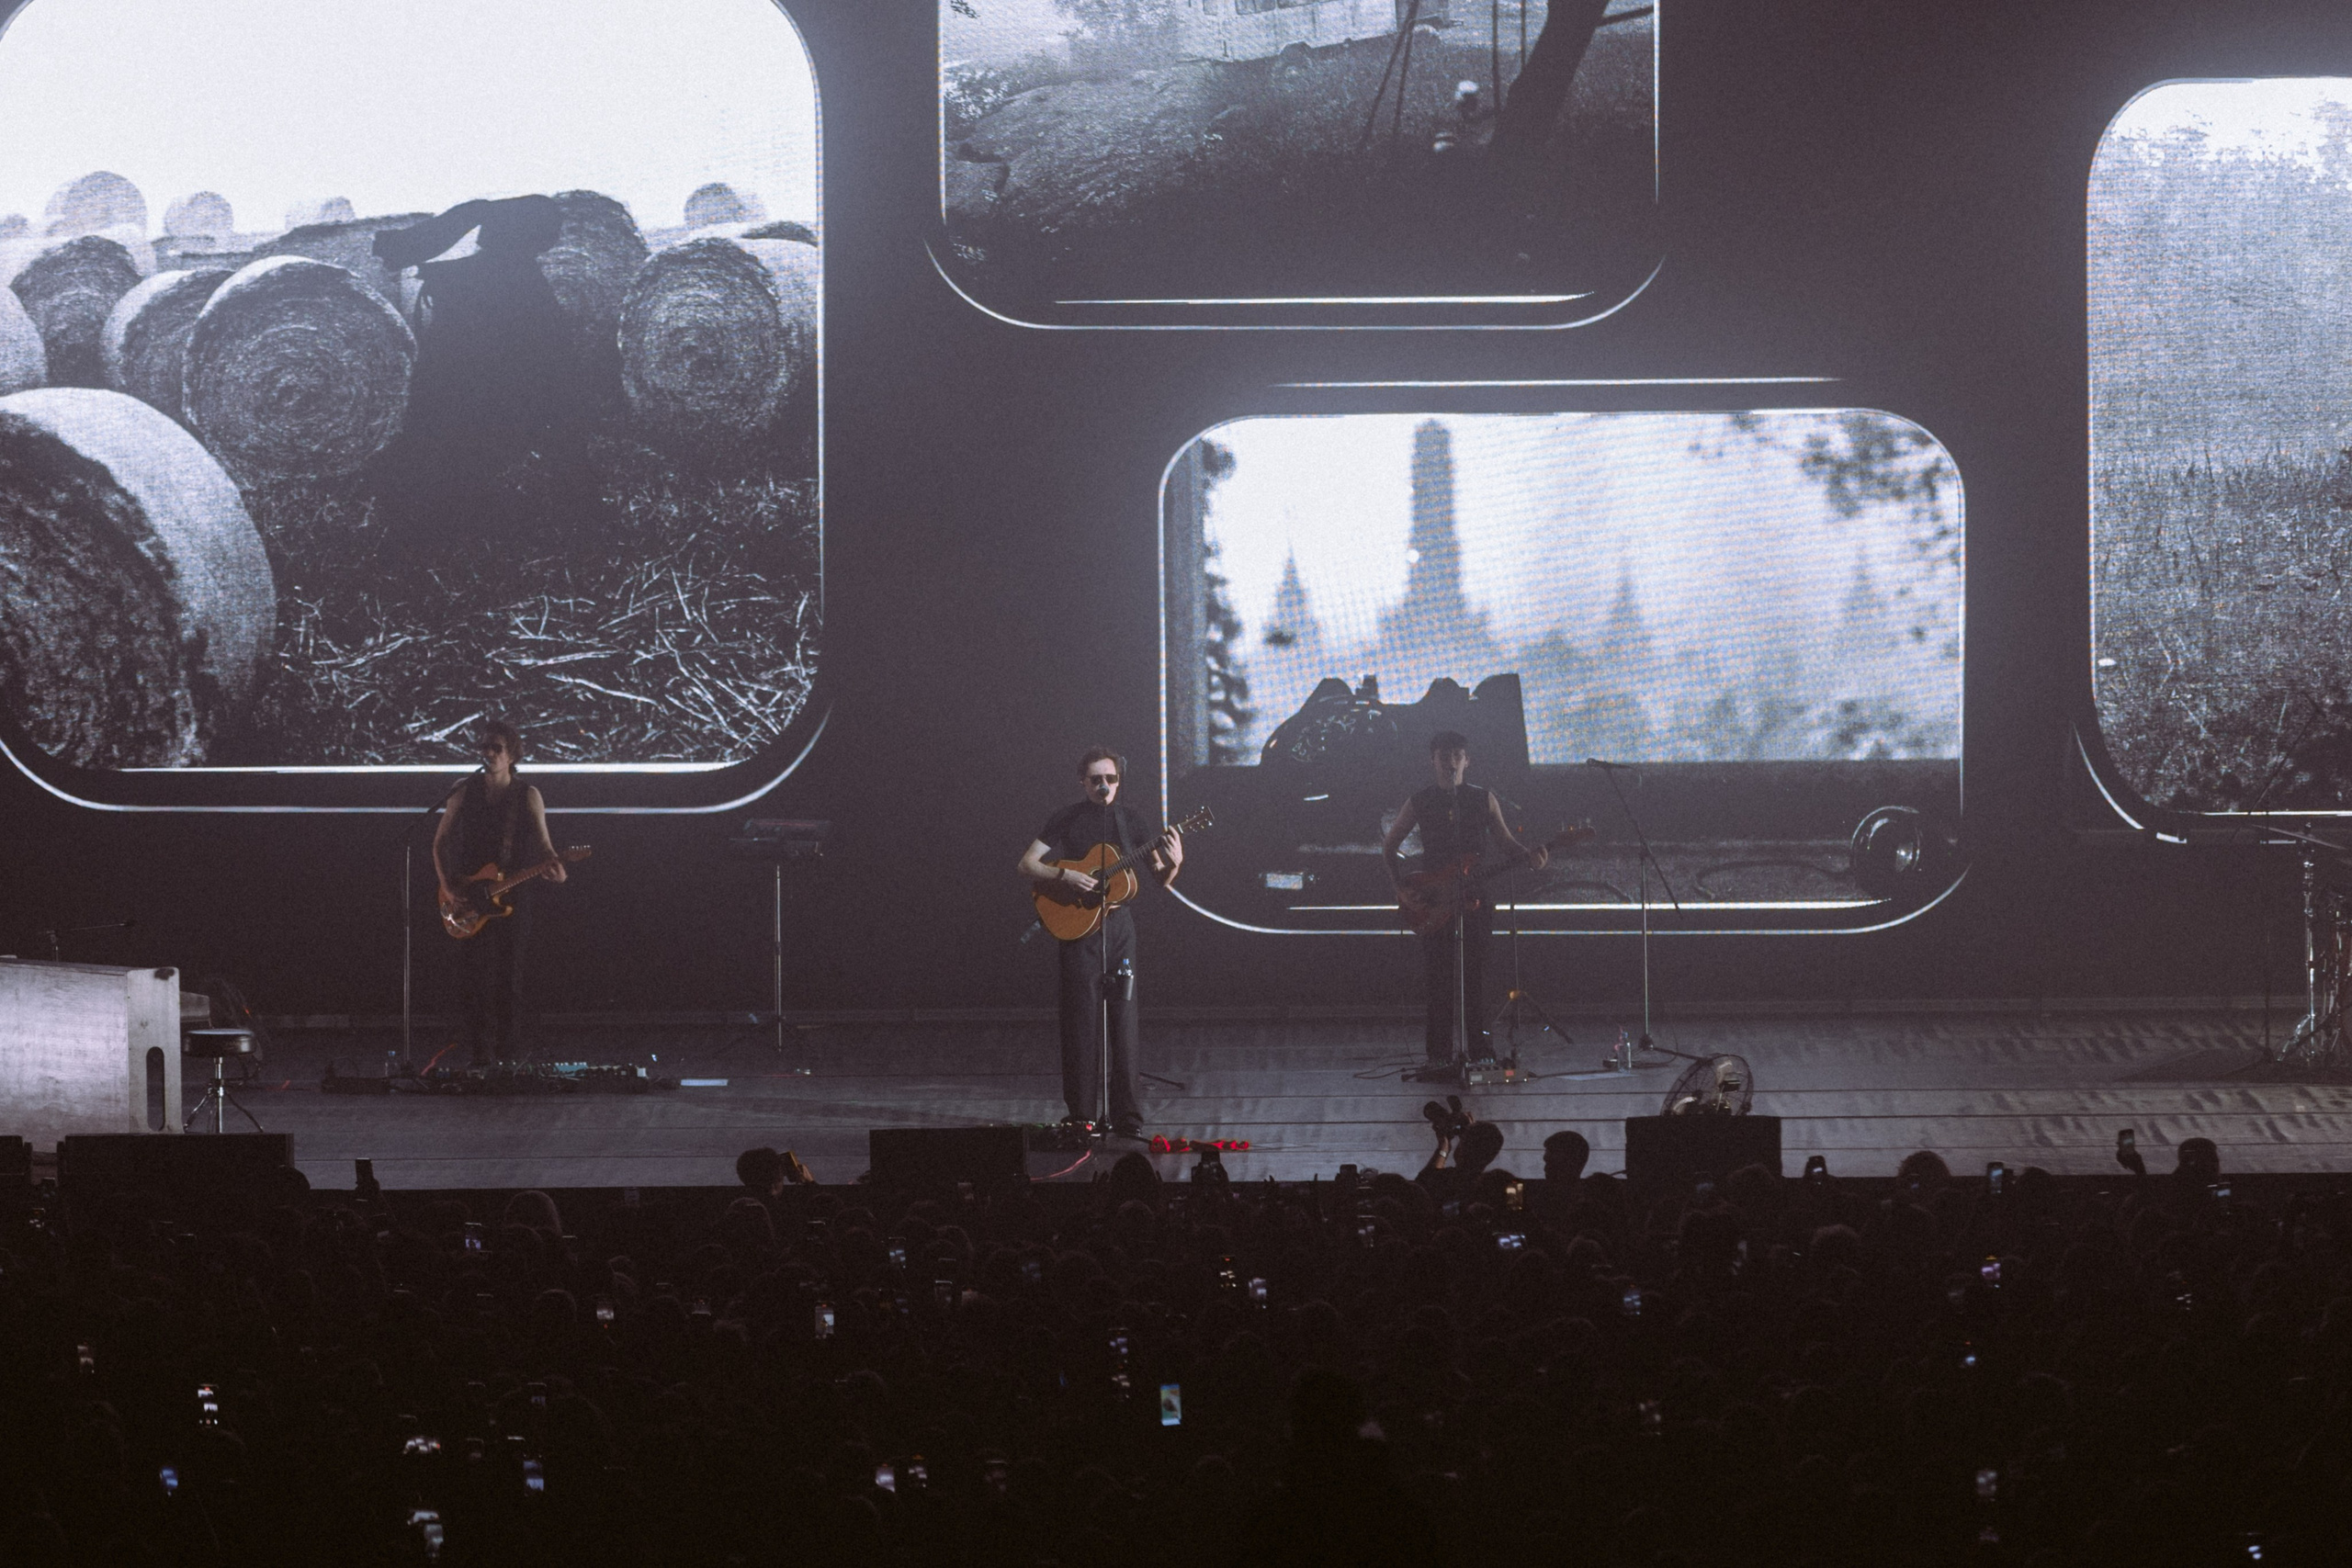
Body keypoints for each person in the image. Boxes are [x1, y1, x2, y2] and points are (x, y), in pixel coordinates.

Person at [1017, 748, 1183, 1136]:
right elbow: (1027, 864)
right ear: (1083, 782)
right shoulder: (1067, 818)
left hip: (1119, 927)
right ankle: (1081, 1115)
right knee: (1080, 1020)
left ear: (1118, 782)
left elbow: (1159, 877)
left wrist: (1174, 862)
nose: (1103, 786)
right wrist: (1066, 877)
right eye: (1095, 779)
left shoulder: (1130, 821)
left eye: (1110, 779)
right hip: (1079, 928)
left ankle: (1127, 1117)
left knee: (1124, 1022)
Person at [1382, 730, 1547, 1067]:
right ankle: (1439, 1053)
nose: (1451, 762)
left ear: (1466, 761)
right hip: (1433, 899)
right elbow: (1390, 845)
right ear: (1433, 761)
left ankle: (1481, 1051)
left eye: (1457, 755)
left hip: (1476, 896)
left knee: (1477, 976)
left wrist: (1531, 855)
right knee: (1438, 976)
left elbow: (1505, 843)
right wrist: (1401, 888)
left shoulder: (1483, 799)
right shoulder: (1420, 801)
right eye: (1444, 756)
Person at [433, 719, 566, 1066]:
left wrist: (556, 867)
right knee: (473, 978)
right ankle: (479, 1054)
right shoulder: (463, 790)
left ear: (512, 754)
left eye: (497, 748)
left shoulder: (527, 795)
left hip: (513, 897)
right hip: (468, 893)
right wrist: (447, 884)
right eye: (485, 747)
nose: (489, 754)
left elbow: (544, 845)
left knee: (510, 977)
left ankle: (509, 1055)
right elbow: (440, 841)